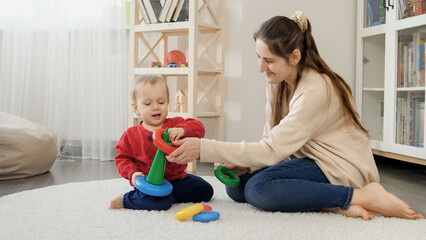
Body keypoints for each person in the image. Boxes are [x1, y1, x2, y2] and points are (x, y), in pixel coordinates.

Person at [167, 11, 424, 220]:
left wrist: (203, 147)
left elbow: (270, 150)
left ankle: (360, 196)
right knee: (237, 185)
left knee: (258, 190)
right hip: (308, 160)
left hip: (338, 166)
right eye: (259, 58)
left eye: (268, 60)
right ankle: (329, 204)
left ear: (295, 57)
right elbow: (271, 140)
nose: (260, 68)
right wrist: (249, 165)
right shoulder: (277, 83)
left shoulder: (317, 88)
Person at [108, 74, 213, 210]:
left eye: (161, 102)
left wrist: (182, 130)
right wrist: (133, 173)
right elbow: (122, 158)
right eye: (148, 103)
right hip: (152, 184)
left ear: (168, 102)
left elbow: (199, 128)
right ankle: (128, 200)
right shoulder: (131, 134)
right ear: (136, 108)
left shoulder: (176, 124)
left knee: (206, 191)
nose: (156, 107)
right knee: (159, 204)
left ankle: (172, 196)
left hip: (179, 179)